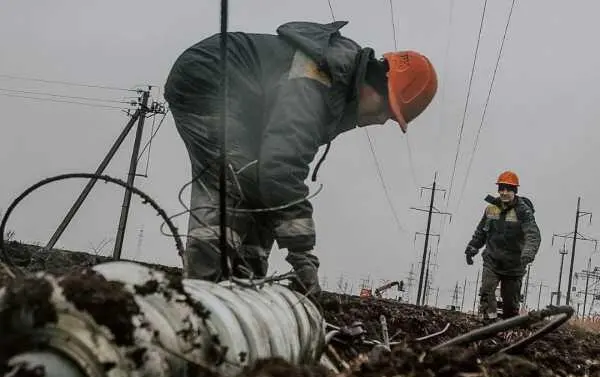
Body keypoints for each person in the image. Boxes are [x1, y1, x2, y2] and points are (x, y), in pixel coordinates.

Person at [164, 20, 438, 295]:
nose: (380, 122)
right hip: (211, 79)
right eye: (386, 111)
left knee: (258, 188)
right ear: (375, 85)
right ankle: (202, 295)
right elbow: (282, 170)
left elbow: (274, 183)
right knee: (234, 179)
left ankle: (243, 287)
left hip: (245, 99)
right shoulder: (316, 79)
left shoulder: (336, 94)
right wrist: (302, 257)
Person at [465, 171, 541, 320]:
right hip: (492, 260)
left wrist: (528, 254)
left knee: (510, 308)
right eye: (502, 189)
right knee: (487, 293)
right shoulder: (492, 209)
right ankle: (489, 322)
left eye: (508, 189)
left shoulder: (523, 211)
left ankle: (507, 329)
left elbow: (533, 235)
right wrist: (472, 248)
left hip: (514, 265)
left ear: (515, 191)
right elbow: (481, 231)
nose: (504, 193)